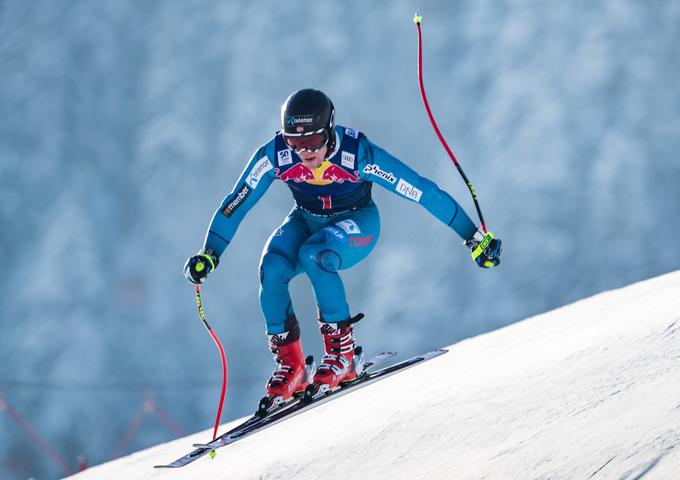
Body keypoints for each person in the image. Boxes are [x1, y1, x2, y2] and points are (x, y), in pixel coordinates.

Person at [184, 88, 502, 405]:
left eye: (312, 142)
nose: (304, 152)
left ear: (330, 131)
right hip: (306, 218)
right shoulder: (275, 155)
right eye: (295, 143)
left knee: (315, 255)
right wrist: (209, 253)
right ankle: (291, 365)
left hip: (357, 222)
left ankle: (342, 354)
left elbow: (421, 191)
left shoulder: (357, 154)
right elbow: (236, 203)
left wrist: (473, 238)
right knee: (272, 265)